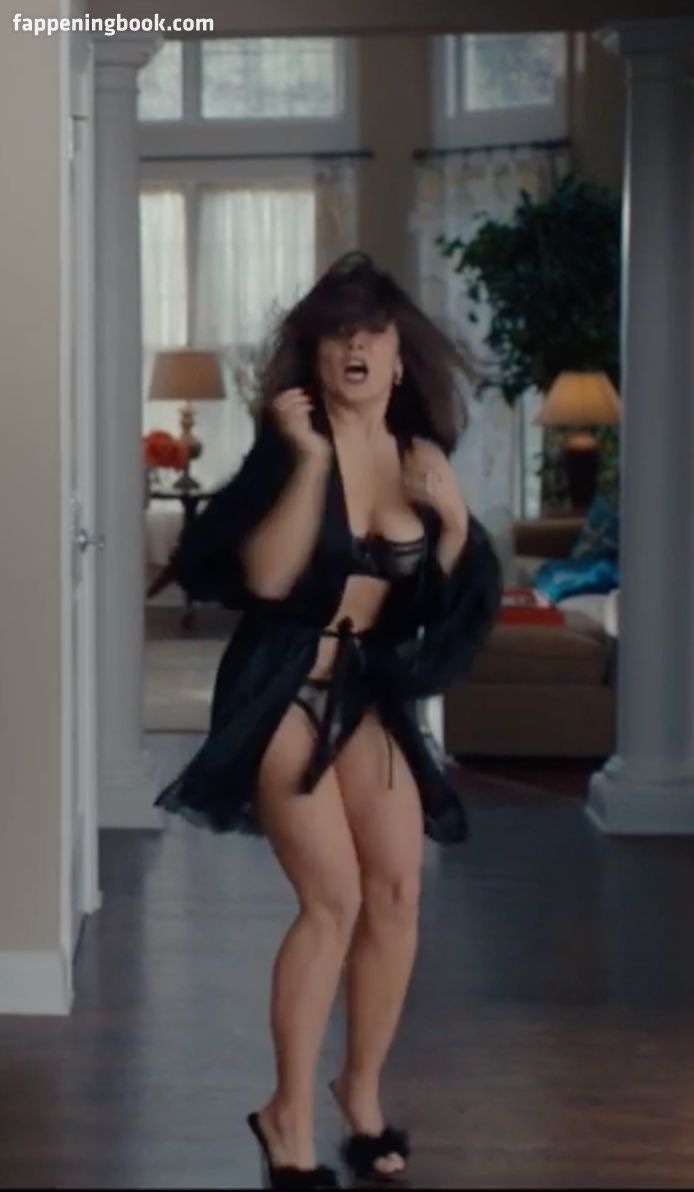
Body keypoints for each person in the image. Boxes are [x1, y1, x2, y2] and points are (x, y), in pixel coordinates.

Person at [155, 252, 502, 1189]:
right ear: (314, 355)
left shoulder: (420, 459)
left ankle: (361, 1091)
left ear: (398, 355)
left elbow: (431, 608)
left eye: (372, 332)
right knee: (333, 901)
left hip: (367, 689)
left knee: (396, 894)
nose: (356, 345)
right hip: (280, 683)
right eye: (337, 332)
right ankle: (288, 1115)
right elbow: (268, 581)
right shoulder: (286, 451)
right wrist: (309, 461)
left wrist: (452, 528)